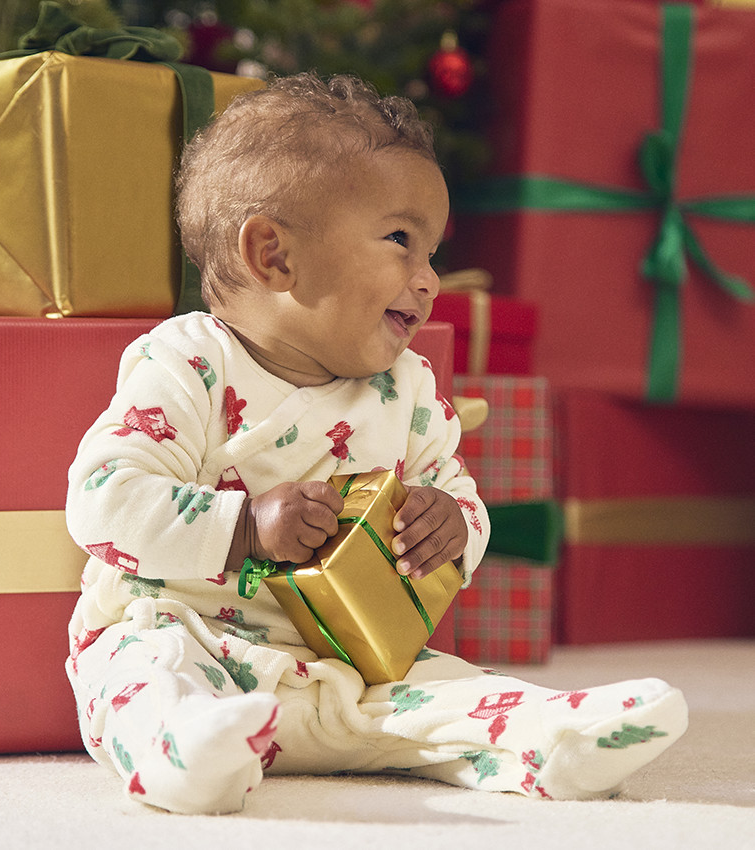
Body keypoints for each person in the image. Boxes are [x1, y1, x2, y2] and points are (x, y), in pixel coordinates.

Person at [65, 72, 688, 815]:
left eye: (431, 254)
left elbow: (453, 486)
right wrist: (245, 525)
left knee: (445, 693)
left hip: (346, 665)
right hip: (190, 637)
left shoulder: (407, 388)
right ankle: (190, 751)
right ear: (275, 256)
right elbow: (103, 499)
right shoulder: (189, 365)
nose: (428, 282)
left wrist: (452, 524)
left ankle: (554, 740)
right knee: (139, 678)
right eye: (400, 241)